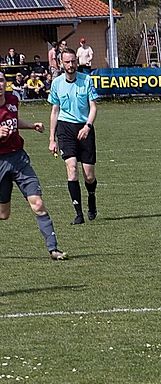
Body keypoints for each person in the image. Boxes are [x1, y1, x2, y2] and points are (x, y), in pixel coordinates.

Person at [0, 73, 67, 260]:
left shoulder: (13, 99)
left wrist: (31, 126)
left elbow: (13, 121)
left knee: (37, 203)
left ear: (5, 83)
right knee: (3, 214)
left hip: (19, 160)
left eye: (0, 80)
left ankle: (53, 249)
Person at [48, 48, 99, 225]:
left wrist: (88, 126)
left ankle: (91, 197)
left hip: (85, 127)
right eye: (67, 62)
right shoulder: (56, 83)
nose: (70, 65)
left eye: (73, 62)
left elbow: (93, 107)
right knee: (71, 169)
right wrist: (52, 139)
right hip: (65, 128)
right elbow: (55, 111)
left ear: (77, 62)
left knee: (89, 176)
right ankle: (78, 214)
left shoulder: (87, 80)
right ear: (61, 63)